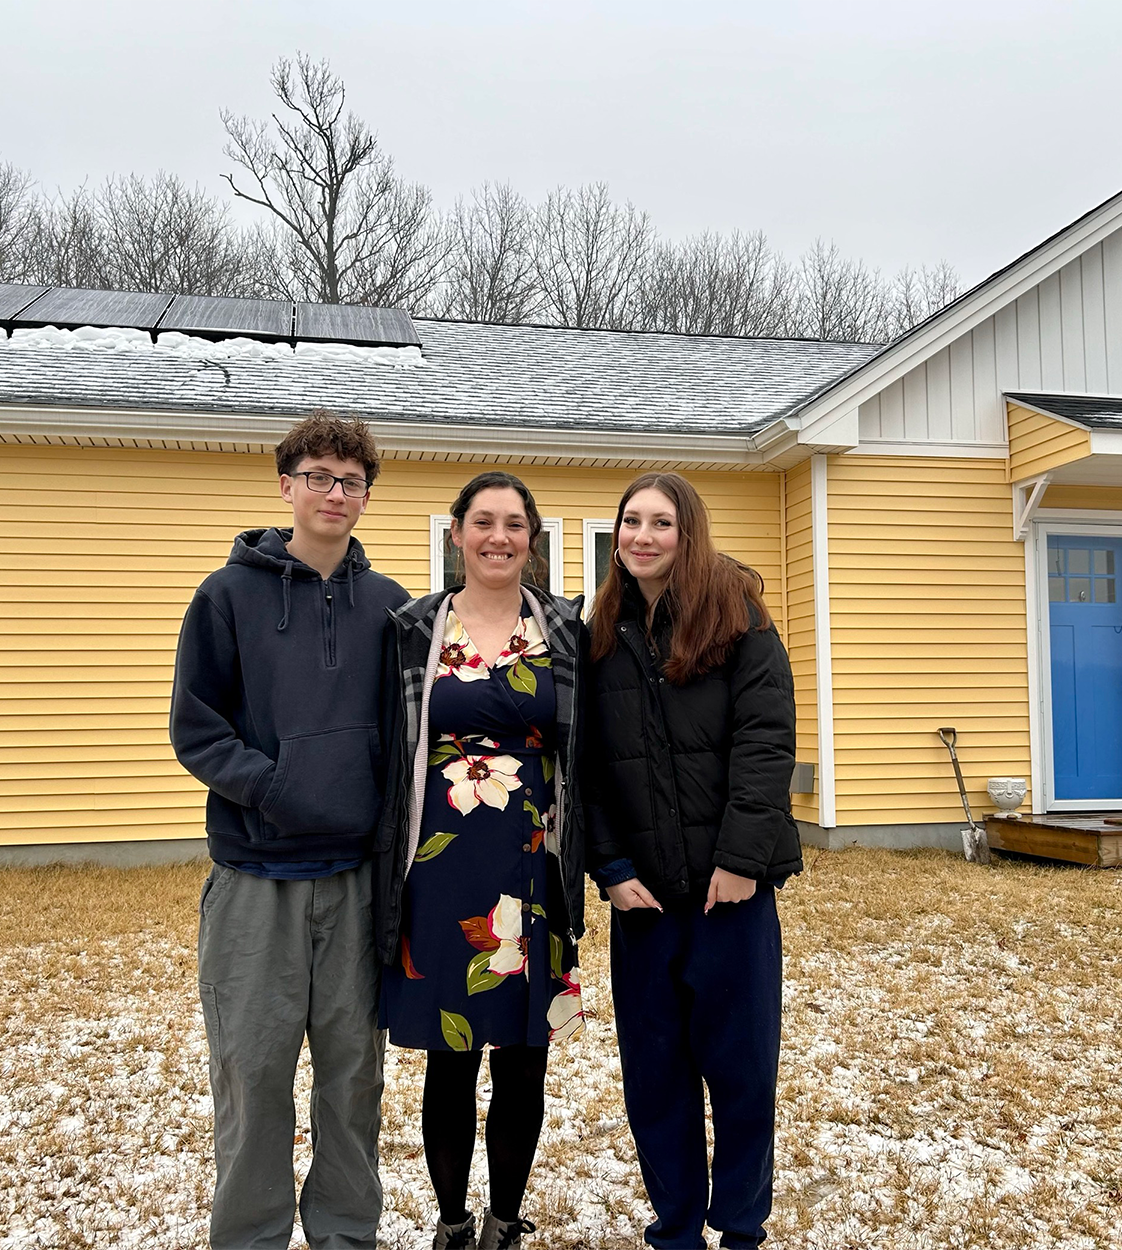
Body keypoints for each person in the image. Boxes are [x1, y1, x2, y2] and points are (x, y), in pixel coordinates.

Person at [170, 412, 409, 1250]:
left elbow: (410, 737)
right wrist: (275, 788)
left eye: (350, 481)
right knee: (254, 1077)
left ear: (366, 496)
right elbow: (196, 729)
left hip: (353, 884)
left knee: (352, 1081)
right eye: (317, 476)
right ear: (286, 484)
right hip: (255, 884)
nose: (333, 493)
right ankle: (250, 1236)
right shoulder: (226, 596)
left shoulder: (389, 608)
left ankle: (346, 1233)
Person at [585, 472, 802, 1250]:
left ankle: (741, 1227)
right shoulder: (600, 632)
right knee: (656, 1078)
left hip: (729, 897)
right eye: (631, 521)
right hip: (644, 899)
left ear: (688, 533)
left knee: (742, 1075)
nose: (642, 536)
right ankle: (675, 1229)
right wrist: (608, 866)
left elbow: (767, 742)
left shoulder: (736, 619)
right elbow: (591, 767)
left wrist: (743, 860)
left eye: (661, 523)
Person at [372, 471, 586, 1250]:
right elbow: (389, 749)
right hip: (440, 862)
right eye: (484, 521)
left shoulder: (563, 627)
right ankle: (455, 1221)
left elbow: (585, 749)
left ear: (532, 539)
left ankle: (504, 1220)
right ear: (457, 532)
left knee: (525, 1053)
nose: (500, 537)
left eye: (515, 524)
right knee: (451, 1051)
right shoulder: (414, 628)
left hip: (535, 863)